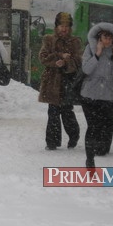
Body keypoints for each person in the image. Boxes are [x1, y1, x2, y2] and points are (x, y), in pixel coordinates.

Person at [80, 22, 113, 168]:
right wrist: (97, 54)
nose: (108, 41)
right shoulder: (90, 48)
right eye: (106, 37)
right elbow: (86, 69)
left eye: (111, 38)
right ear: (99, 37)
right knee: (92, 126)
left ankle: (96, 150)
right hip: (89, 95)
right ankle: (90, 158)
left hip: (106, 96)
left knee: (100, 127)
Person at [38, 12, 82, 150]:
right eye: (61, 26)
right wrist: (57, 57)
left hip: (68, 81)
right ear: (56, 26)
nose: (64, 29)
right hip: (52, 81)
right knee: (53, 112)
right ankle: (52, 142)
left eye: (67, 26)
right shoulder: (49, 39)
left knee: (67, 111)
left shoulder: (75, 42)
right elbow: (43, 57)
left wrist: (67, 62)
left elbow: (78, 61)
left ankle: (74, 136)